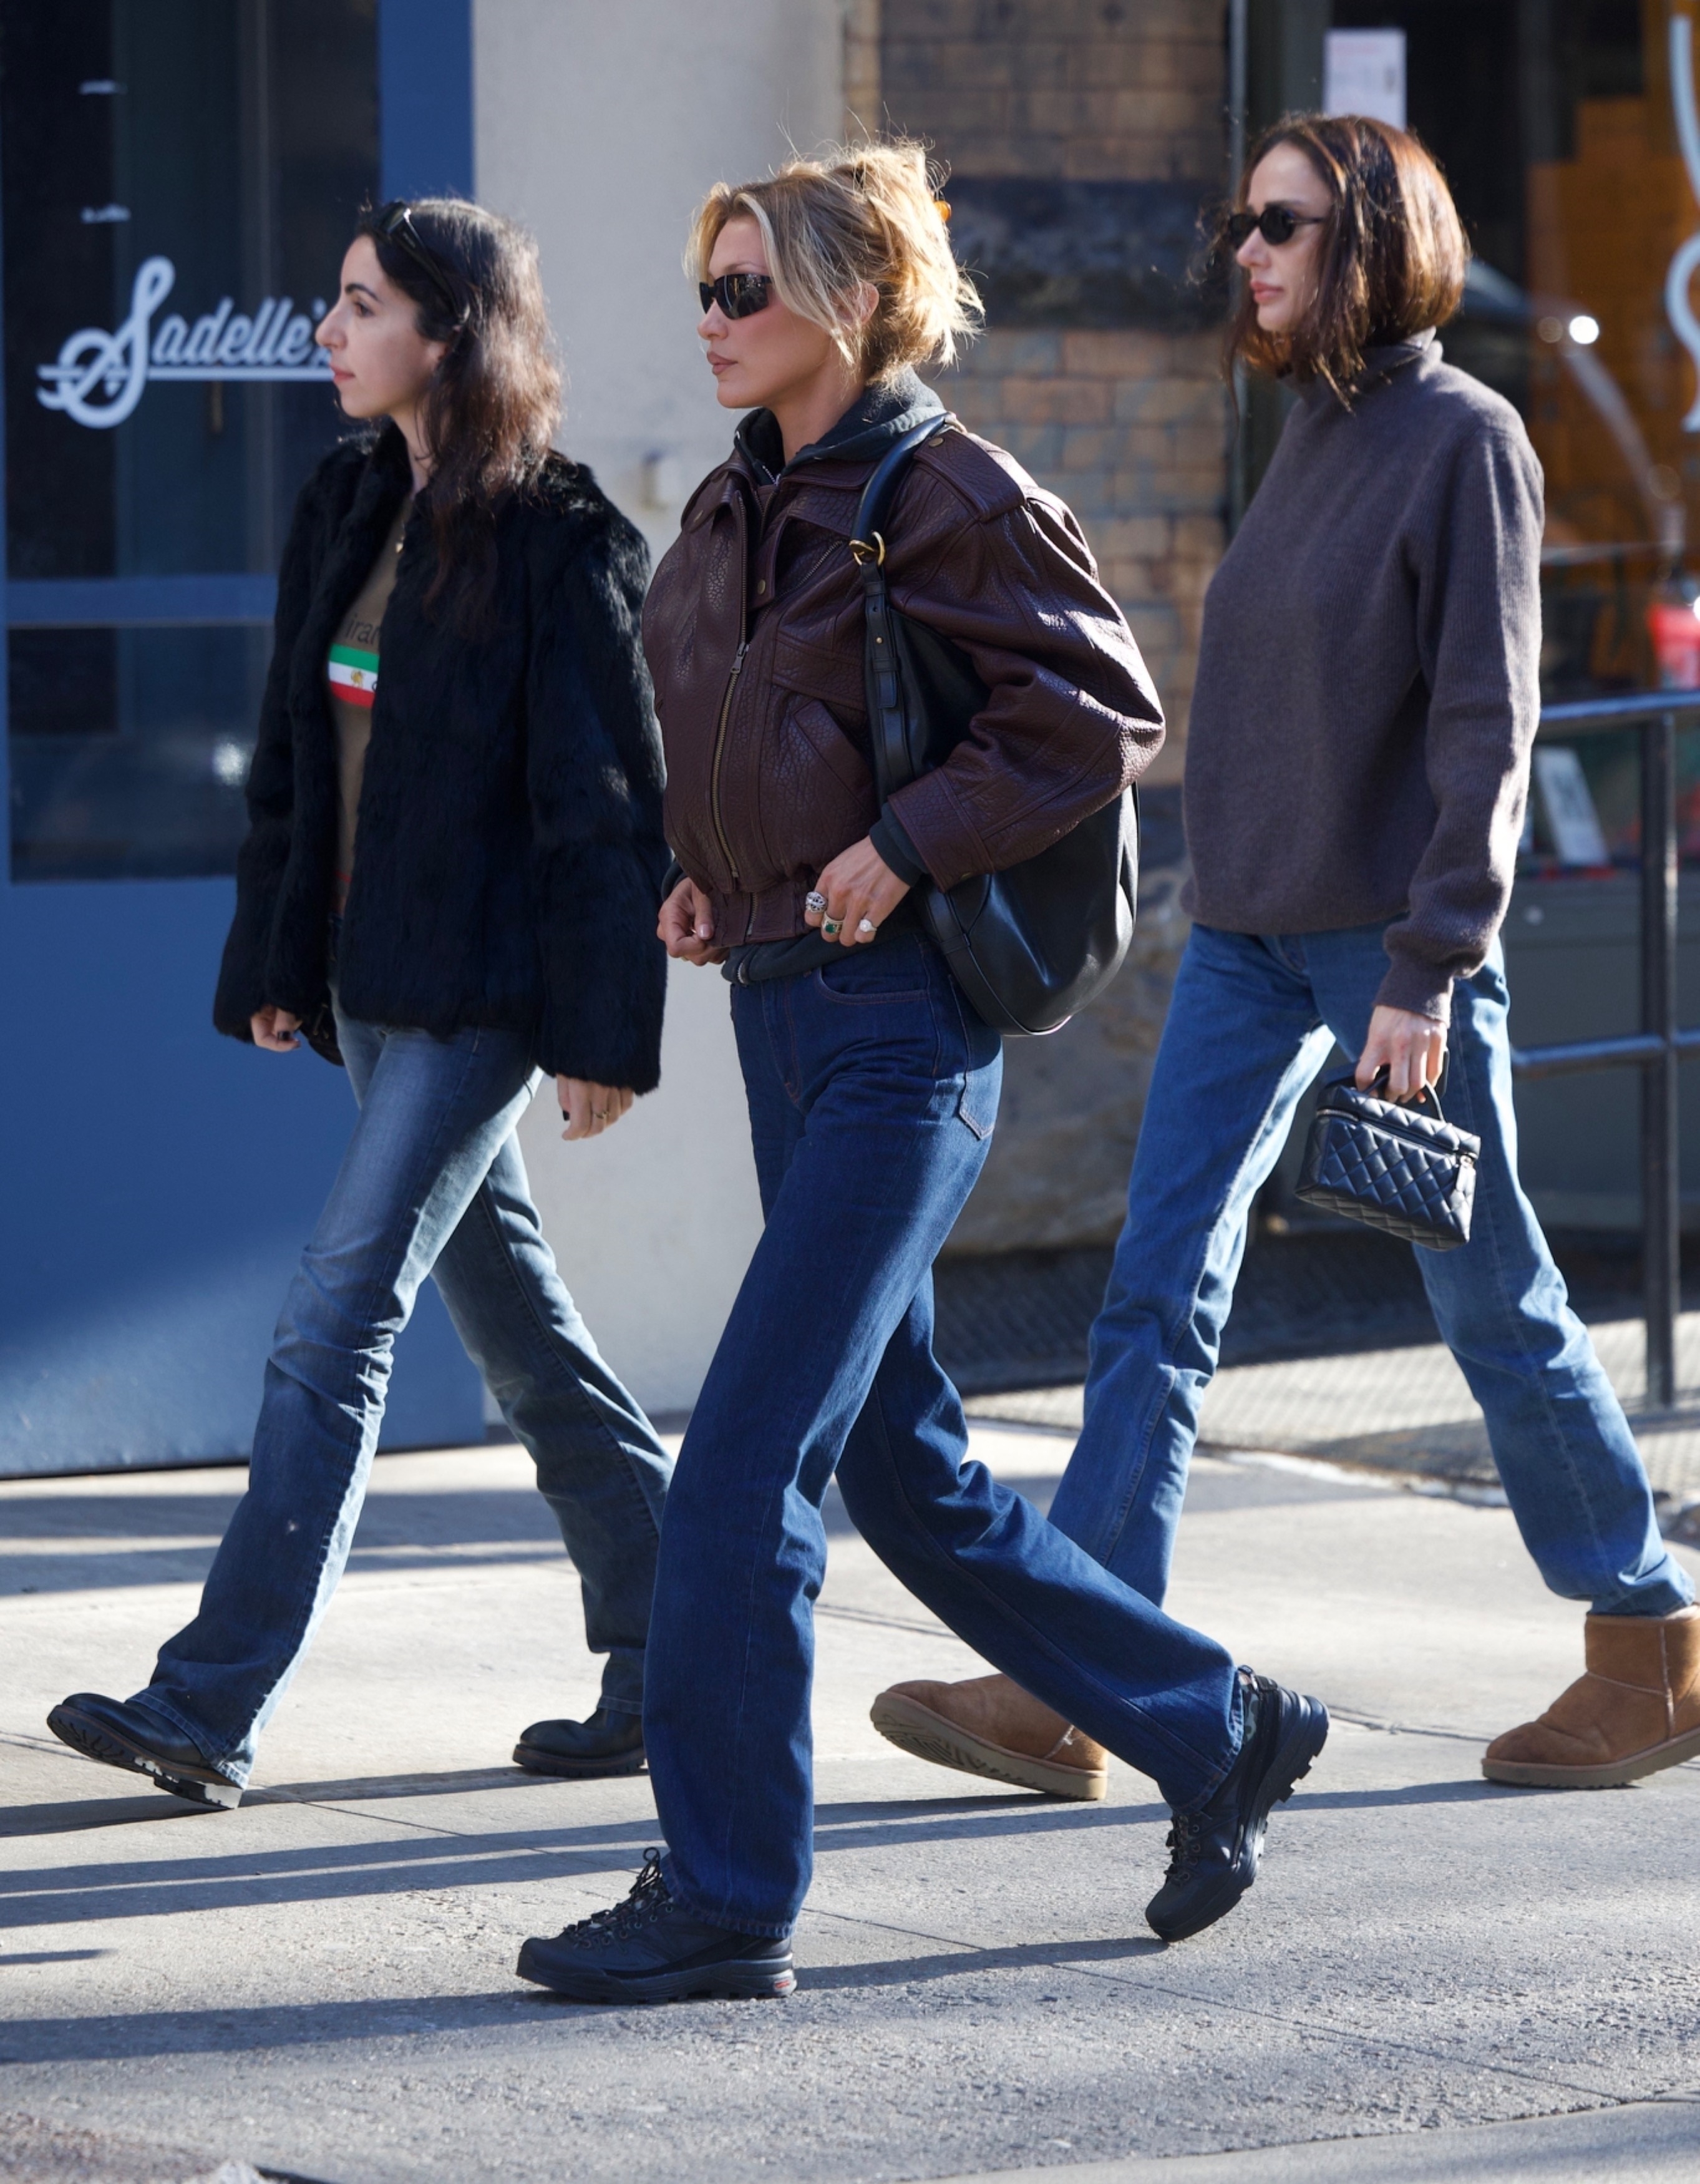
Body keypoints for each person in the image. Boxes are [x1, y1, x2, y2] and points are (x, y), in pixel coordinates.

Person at [512, 143, 1329, 2008]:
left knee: (736, 1468)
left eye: (746, 291)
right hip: (783, 1016)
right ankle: (1225, 1725)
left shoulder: (942, 488)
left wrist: (912, 840)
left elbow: (1104, 706)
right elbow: (732, 738)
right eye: (704, 286)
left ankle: (726, 1889)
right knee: (909, 1469)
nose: (710, 322)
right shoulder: (741, 507)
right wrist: (714, 880)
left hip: (904, 1039)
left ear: (851, 303)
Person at [872, 114, 1699, 1805]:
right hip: (1251, 943)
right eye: (1240, 222)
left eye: (1281, 223)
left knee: (1490, 1295)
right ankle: (1080, 1677)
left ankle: (1650, 1635)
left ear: (1375, 242)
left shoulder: (1466, 441)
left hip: (1390, 953)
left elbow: (1488, 720)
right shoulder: (1313, 437)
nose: (1243, 251)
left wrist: (1431, 959)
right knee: (1153, 1295)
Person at [48, 198, 674, 1808]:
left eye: (358, 305)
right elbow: (291, 769)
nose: (327, 331)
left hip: (480, 991)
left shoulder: (562, 539)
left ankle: (208, 1703)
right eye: (334, 303)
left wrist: (604, 1034)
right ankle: (680, 1642)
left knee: (336, 1315)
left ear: (449, 332)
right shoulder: (343, 502)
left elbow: (607, 802)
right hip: (362, 978)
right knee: (523, 1334)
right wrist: (274, 962)